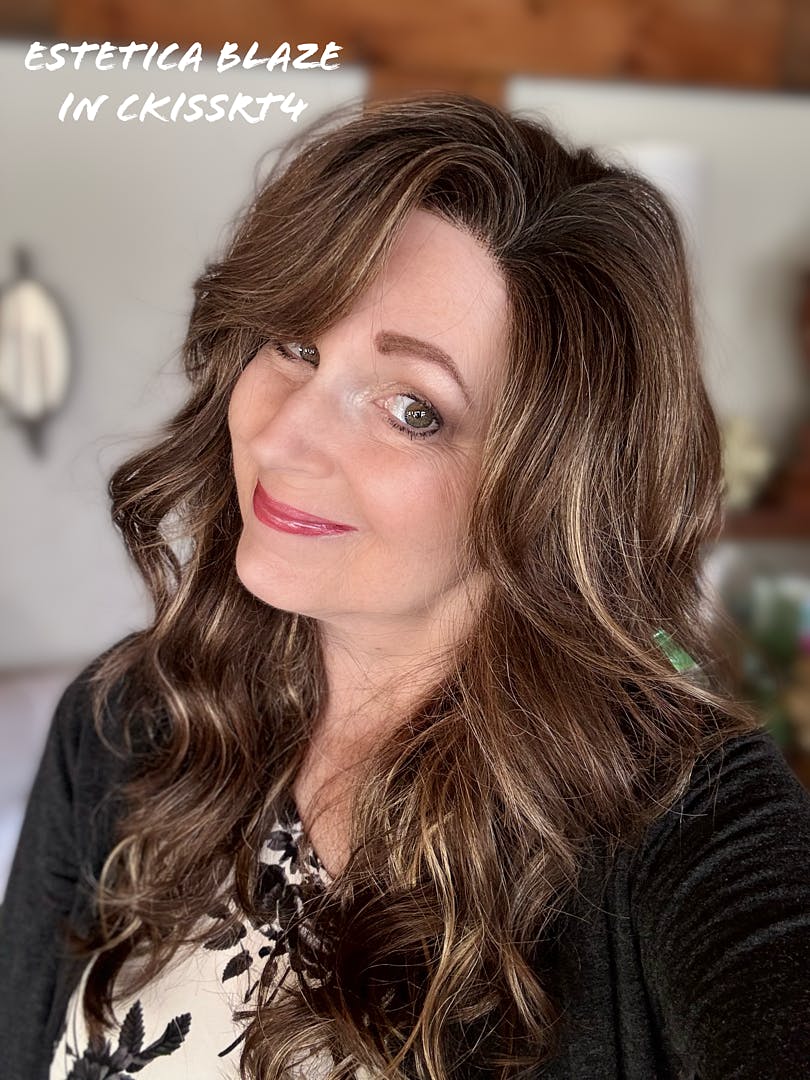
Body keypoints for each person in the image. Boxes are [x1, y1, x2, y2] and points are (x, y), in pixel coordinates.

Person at [1, 92, 809, 1080]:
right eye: (295, 343)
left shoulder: (679, 815)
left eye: (412, 409)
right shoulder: (126, 723)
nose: (283, 436)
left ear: (549, 484)